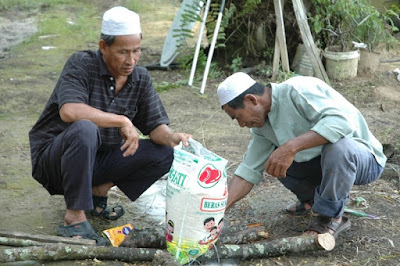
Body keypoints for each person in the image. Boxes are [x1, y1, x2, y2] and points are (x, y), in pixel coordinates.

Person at [28, 6, 191, 245]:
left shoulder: (140, 77)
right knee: (85, 128)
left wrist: (173, 137)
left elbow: (155, 126)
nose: (131, 60)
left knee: (165, 153)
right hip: (54, 162)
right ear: (103, 47)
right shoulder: (81, 64)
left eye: (137, 51)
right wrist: (122, 120)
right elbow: (69, 110)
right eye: (123, 52)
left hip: (96, 162)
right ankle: (74, 218)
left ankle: (98, 192)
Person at [217, 72, 386, 238]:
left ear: (252, 99)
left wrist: (290, 147)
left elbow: (341, 123)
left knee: (337, 148)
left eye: (238, 116)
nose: (241, 124)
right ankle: (311, 201)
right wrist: (216, 212)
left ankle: (330, 216)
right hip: (326, 162)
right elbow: (248, 171)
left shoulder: (298, 90)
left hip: (364, 158)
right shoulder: (261, 127)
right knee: (274, 160)